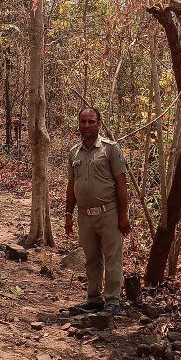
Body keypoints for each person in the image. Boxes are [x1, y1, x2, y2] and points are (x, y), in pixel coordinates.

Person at [65, 107, 131, 314]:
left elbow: (121, 184)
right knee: (91, 259)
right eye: (83, 122)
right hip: (85, 215)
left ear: (98, 124)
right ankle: (93, 299)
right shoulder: (74, 152)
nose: (86, 126)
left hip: (109, 213)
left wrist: (123, 216)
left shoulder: (110, 149)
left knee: (112, 258)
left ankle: (112, 301)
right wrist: (68, 215)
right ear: (79, 124)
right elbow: (71, 185)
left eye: (91, 122)